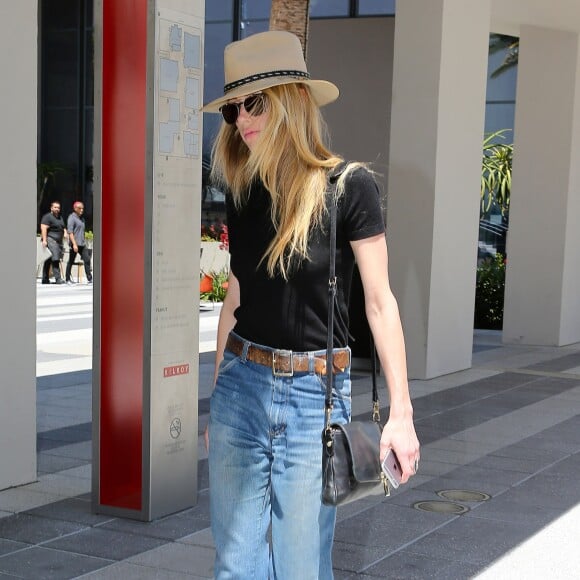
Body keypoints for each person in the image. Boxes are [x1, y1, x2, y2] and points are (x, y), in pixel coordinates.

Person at [202, 31, 420, 579]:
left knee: (301, 567)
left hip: (313, 400)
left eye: (253, 103)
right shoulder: (243, 191)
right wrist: (217, 394)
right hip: (241, 387)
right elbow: (236, 292)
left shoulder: (349, 188)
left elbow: (380, 303)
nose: (241, 119)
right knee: (237, 567)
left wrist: (403, 415)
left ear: (290, 101)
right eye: (231, 109)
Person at [65, 201, 92, 284]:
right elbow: (70, 232)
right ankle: (67, 279)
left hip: (82, 244)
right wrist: (74, 244)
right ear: (75, 208)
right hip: (74, 244)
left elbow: (81, 231)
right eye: (80, 208)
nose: (81, 210)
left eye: (82, 208)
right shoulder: (71, 218)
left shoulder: (82, 219)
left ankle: (89, 278)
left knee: (87, 259)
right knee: (71, 261)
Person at [40, 201, 67, 284]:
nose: (57, 209)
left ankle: (45, 279)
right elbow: (43, 228)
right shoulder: (47, 217)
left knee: (48, 259)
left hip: (58, 242)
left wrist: (65, 232)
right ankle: (58, 279)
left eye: (58, 207)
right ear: (51, 208)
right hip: (51, 239)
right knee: (55, 259)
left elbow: (63, 227)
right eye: (55, 207)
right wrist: (44, 240)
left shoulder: (60, 218)